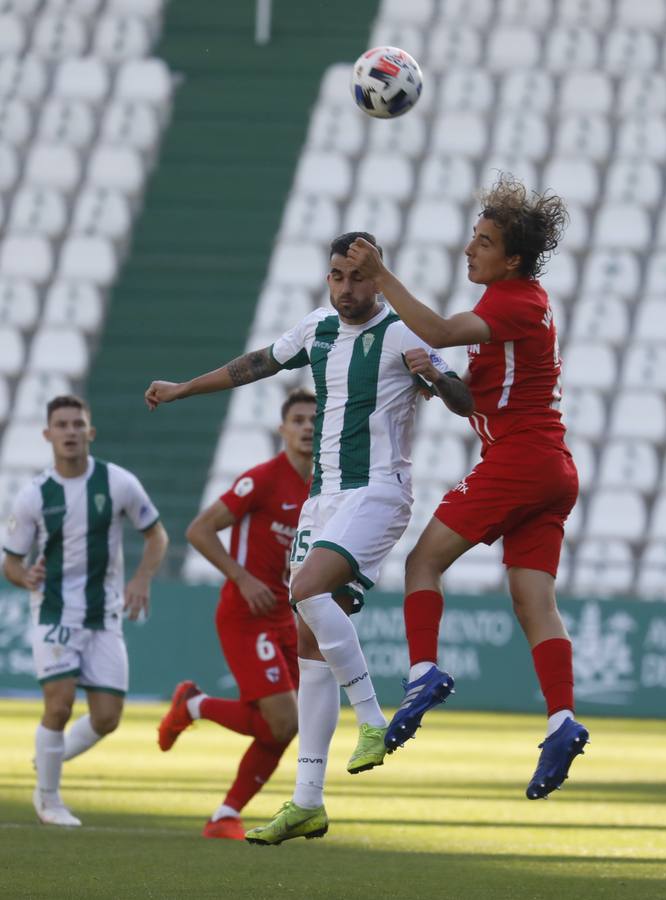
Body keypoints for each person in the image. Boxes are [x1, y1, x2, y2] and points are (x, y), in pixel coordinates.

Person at [145, 231, 473, 844]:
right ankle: (307, 800)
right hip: (324, 500)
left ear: (379, 277)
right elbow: (254, 365)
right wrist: (186, 387)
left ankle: (373, 719)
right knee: (310, 644)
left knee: (305, 589)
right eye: (337, 277)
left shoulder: (406, 333)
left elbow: (462, 401)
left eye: (359, 277)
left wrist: (439, 378)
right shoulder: (318, 329)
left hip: (377, 491)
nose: (347, 289)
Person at [347, 174, 589, 800]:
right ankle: (562, 719)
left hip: (522, 459)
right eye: (473, 237)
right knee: (533, 600)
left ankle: (423, 672)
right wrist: (435, 379)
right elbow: (466, 402)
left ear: (511, 258)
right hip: (549, 468)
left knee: (423, 563)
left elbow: (435, 327)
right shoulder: (512, 309)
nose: (469, 249)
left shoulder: (512, 301)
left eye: (483, 242)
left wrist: (381, 273)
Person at [156, 388, 316, 840]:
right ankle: (193, 704)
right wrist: (243, 578)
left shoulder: (320, 488)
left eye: (314, 420)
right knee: (284, 720)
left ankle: (225, 815)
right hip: (245, 614)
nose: (307, 427)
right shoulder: (263, 479)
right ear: (282, 430)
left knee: (284, 727)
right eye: (298, 420)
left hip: (285, 616)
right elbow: (199, 530)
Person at [2, 395, 168, 826]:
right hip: (55, 612)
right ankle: (49, 798)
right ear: (47, 434)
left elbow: (157, 536)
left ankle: (47, 760)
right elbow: (11, 563)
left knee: (107, 718)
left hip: (104, 614)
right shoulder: (33, 496)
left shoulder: (117, 483)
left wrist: (141, 578)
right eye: (62, 425)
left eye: (78, 424)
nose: (71, 432)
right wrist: (26, 577)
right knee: (57, 706)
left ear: (90, 432)